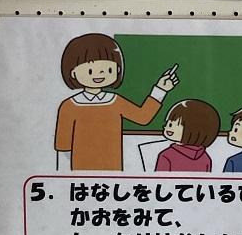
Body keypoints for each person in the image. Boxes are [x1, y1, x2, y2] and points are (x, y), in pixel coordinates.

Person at [54, 33, 178, 171]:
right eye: (90, 71)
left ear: (118, 70)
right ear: (73, 73)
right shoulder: (69, 106)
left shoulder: (115, 101)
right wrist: (64, 175)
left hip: (113, 170)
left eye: (108, 70)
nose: (99, 75)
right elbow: (63, 146)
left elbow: (143, 117)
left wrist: (160, 89)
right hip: (80, 172)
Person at [155, 99, 220, 172]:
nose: (165, 127)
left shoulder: (166, 155)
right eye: (168, 124)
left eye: (171, 125)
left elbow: (160, 178)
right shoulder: (206, 158)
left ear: (192, 129)